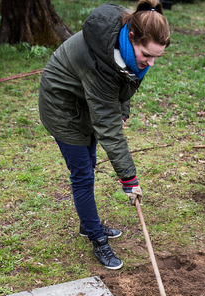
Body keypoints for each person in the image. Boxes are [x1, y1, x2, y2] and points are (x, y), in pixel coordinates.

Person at [38, 0, 170, 270]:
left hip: (86, 102)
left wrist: (122, 108)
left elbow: (125, 83)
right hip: (62, 107)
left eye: (157, 57)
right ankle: (96, 237)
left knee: (89, 163)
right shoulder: (98, 62)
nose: (152, 63)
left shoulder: (128, 49)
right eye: (148, 55)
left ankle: (89, 225)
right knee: (83, 173)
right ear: (131, 37)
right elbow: (108, 126)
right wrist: (129, 179)